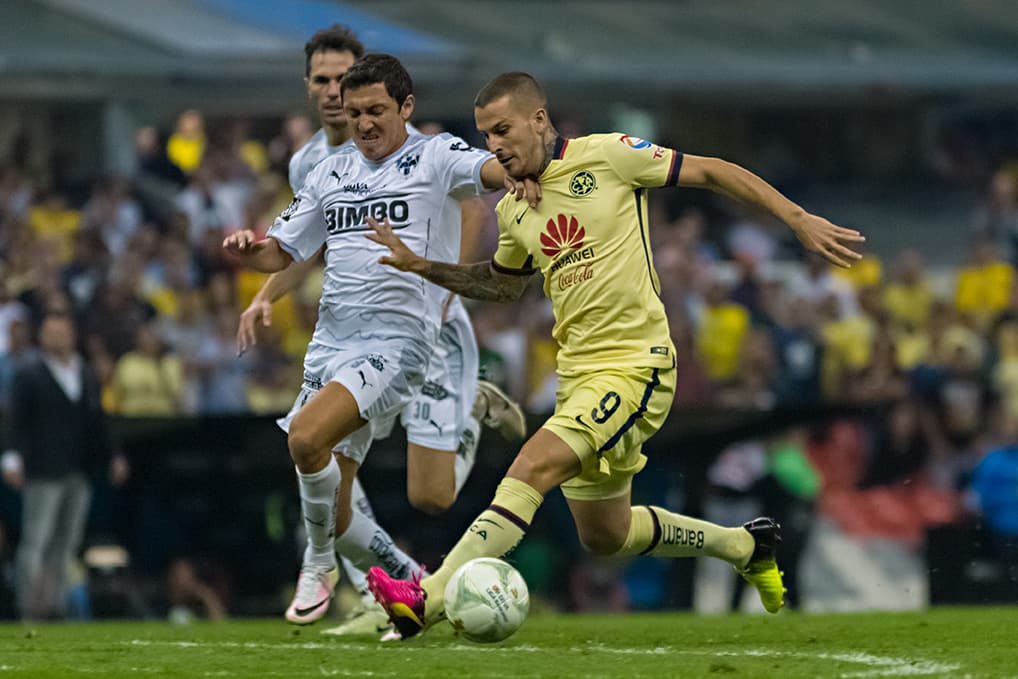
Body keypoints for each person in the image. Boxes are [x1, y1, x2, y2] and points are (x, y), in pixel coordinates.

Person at [365, 71, 866, 637]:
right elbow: (504, 285)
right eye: (485, 136)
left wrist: (795, 218)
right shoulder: (514, 210)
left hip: (637, 365)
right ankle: (745, 545)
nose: (495, 146)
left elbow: (711, 170)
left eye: (503, 129)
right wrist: (422, 265)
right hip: (579, 377)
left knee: (532, 465)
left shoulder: (610, 155)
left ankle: (425, 600)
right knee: (605, 534)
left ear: (538, 119)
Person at [223, 55, 536, 626]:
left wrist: (521, 170)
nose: (364, 123)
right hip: (332, 342)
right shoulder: (327, 171)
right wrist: (251, 255)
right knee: (341, 497)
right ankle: (389, 577)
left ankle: (317, 564)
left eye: (376, 111)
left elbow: (488, 172)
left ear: (405, 108)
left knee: (305, 440)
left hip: (400, 342)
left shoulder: (435, 156)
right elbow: (282, 250)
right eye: (356, 111)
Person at [2, 313, 128, 620]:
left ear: (72, 334)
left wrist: (113, 454)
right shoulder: (29, 373)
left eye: (62, 332)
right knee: (36, 541)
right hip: (44, 469)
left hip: (78, 467)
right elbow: (16, 420)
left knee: (67, 543)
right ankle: (28, 607)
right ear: (42, 337)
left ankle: (55, 607)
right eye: (51, 333)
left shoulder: (84, 372)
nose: (57, 338)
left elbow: (98, 420)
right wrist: (10, 457)